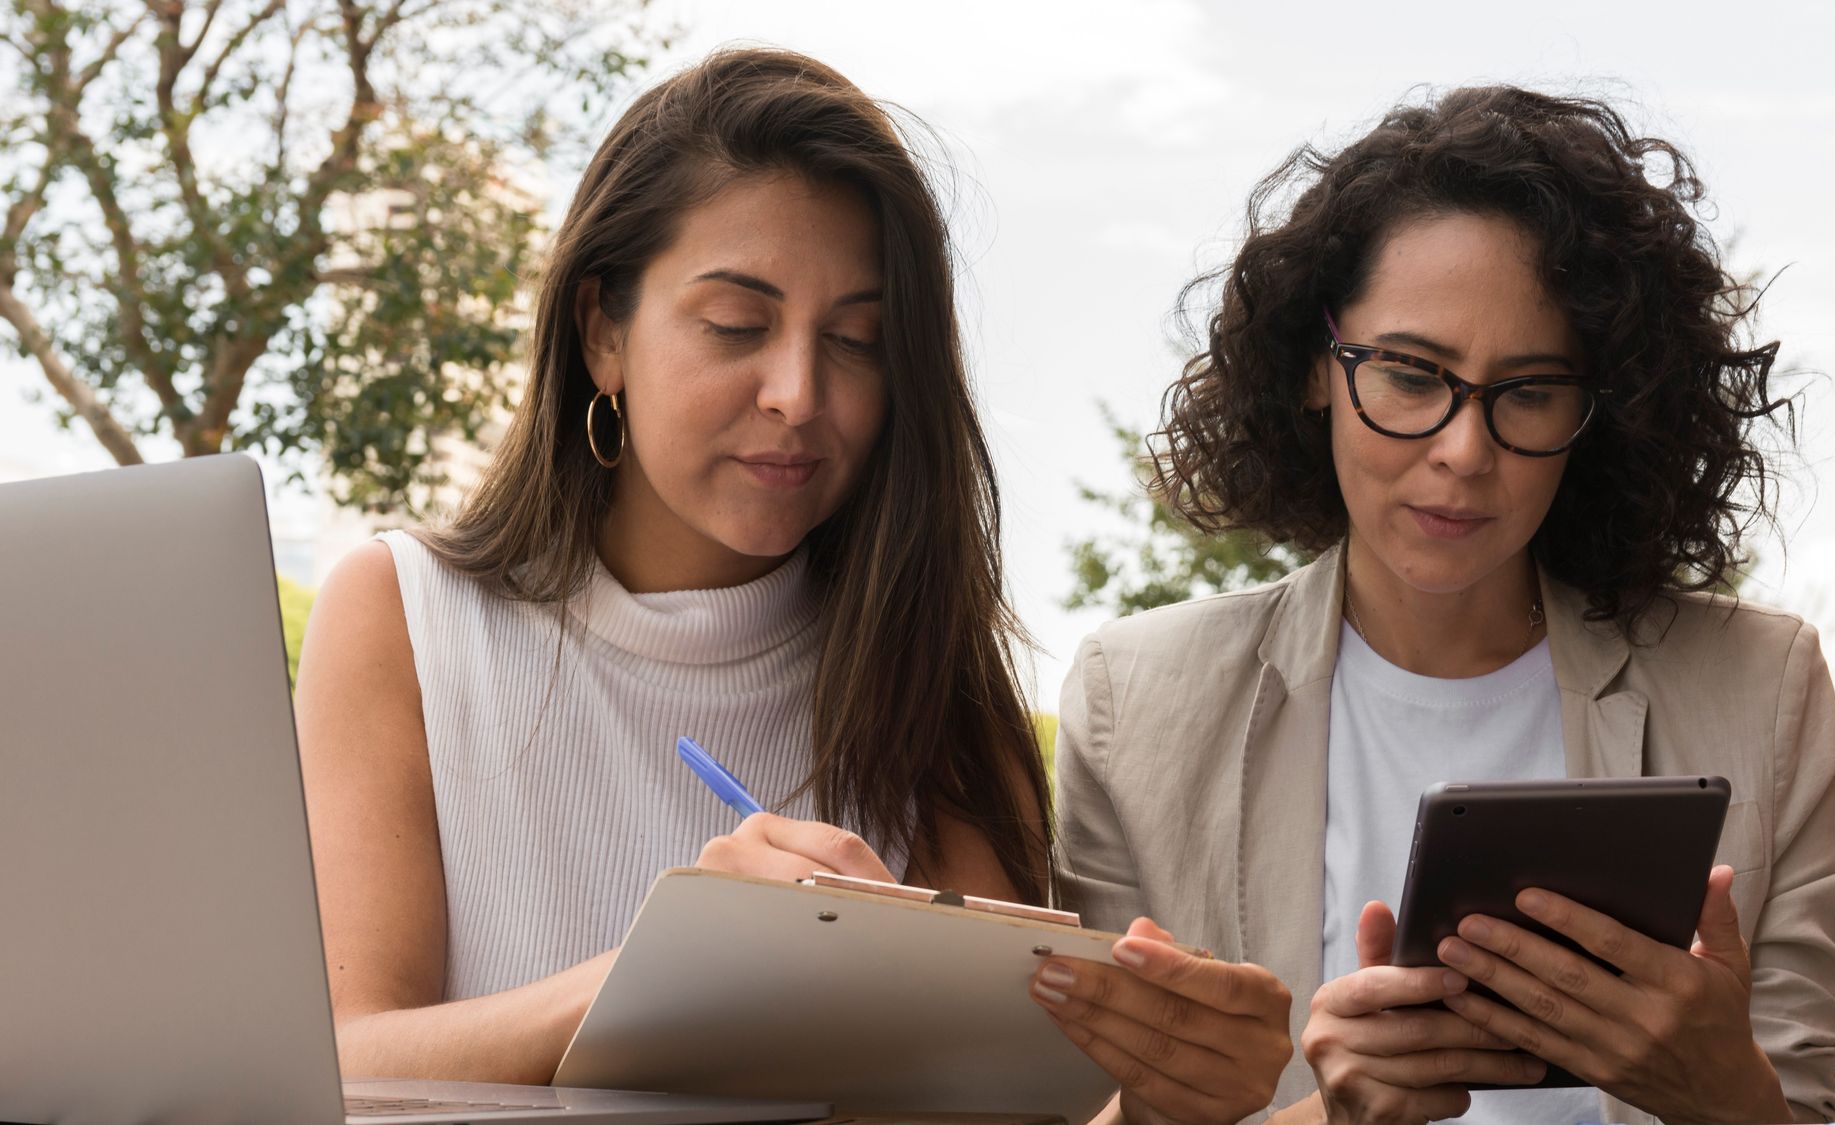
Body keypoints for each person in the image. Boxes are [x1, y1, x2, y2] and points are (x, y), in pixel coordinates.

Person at [295, 47, 1290, 1121]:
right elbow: (339, 1062)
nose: (797, 393)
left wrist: (1169, 1098)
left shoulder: (931, 673)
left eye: (857, 341)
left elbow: (1014, 1111)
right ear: (601, 329)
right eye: (735, 325)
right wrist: (664, 967)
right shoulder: (404, 613)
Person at [1052, 86, 1835, 1125]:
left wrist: (1725, 1097)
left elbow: (1795, 1103)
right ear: (1315, 364)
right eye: (1409, 374)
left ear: (1599, 412)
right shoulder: (1138, 703)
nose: (1462, 453)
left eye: (1526, 392)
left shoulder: (1761, 689)